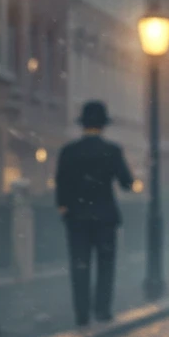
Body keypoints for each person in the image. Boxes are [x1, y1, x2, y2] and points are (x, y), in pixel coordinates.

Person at [55, 100, 133, 325]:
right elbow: (126, 183)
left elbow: (61, 184)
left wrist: (66, 208)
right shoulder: (112, 151)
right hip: (105, 216)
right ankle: (102, 309)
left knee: (80, 264)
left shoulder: (69, 151)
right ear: (103, 125)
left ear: (83, 124)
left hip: (77, 217)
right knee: (105, 265)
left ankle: (81, 313)